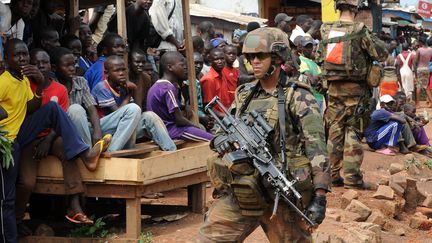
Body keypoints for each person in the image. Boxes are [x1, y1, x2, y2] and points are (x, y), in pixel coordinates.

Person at [199, 27, 330, 242]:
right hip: (244, 187)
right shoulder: (245, 93)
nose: (254, 62)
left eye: (260, 56)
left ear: (278, 59)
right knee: (210, 238)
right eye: (251, 57)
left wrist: (320, 196)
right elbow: (220, 129)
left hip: (280, 193)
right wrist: (222, 141)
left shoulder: (297, 97)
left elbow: (317, 148)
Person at [0, 38, 106, 242]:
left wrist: (39, 88)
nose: (22, 58)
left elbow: (31, 108)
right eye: (17, 55)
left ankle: (86, 155)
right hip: (8, 141)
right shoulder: (3, 80)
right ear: (7, 58)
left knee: (53, 109)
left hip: (21, 134)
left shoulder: (23, 80)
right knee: (8, 197)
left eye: (24, 54)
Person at [16, 49, 95, 235]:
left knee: (68, 150)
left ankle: (74, 205)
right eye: (35, 63)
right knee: (26, 182)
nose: (40, 66)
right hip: (30, 139)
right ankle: (17, 220)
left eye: (44, 63)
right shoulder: (24, 85)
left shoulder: (60, 89)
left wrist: (48, 141)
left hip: (51, 137)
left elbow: (62, 120)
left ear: (50, 66)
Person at [317, 0, 388, 189]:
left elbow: (318, 57)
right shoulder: (360, 29)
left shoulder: (326, 29)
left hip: (332, 89)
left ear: (337, 7)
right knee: (354, 131)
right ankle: (352, 178)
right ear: (355, 8)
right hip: (356, 91)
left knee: (335, 131)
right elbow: (381, 54)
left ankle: (332, 175)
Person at [92, 55, 176, 151]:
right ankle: (112, 151)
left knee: (150, 116)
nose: (121, 73)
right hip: (102, 129)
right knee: (133, 108)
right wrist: (129, 93)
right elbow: (120, 114)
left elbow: (135, 115)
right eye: (117, 71)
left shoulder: (122, 88)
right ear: (107, 73)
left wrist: (133, 90)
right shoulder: (102, 88)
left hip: (121, 130)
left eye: (123, 70)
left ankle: (171, 150)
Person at [147, 51, 213, 142]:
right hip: (172, 131)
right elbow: (179, 120)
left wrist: (184, 106)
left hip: (161, 131)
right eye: (182, 65)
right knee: (213, 141)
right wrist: (195, 127)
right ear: (170, 67)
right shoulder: (168, 88)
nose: (186, 68)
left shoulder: (157, 86)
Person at [200, 48, 232, 117]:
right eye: (216, 59)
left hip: (227, 112)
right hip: (218, 117)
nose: (220, 61)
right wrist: (224, 115)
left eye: (222, 58)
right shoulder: (209, 79)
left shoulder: (222, 74)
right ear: (211, 61)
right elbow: (208, 106)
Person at [415, 37, 432, 107]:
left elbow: (416, 61)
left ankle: (418, 104)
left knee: (418, 86)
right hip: (427, 69)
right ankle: (431, 101)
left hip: (420, 68)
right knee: (426, 86)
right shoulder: (431, 49)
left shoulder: (419, 50)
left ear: (421, 42)